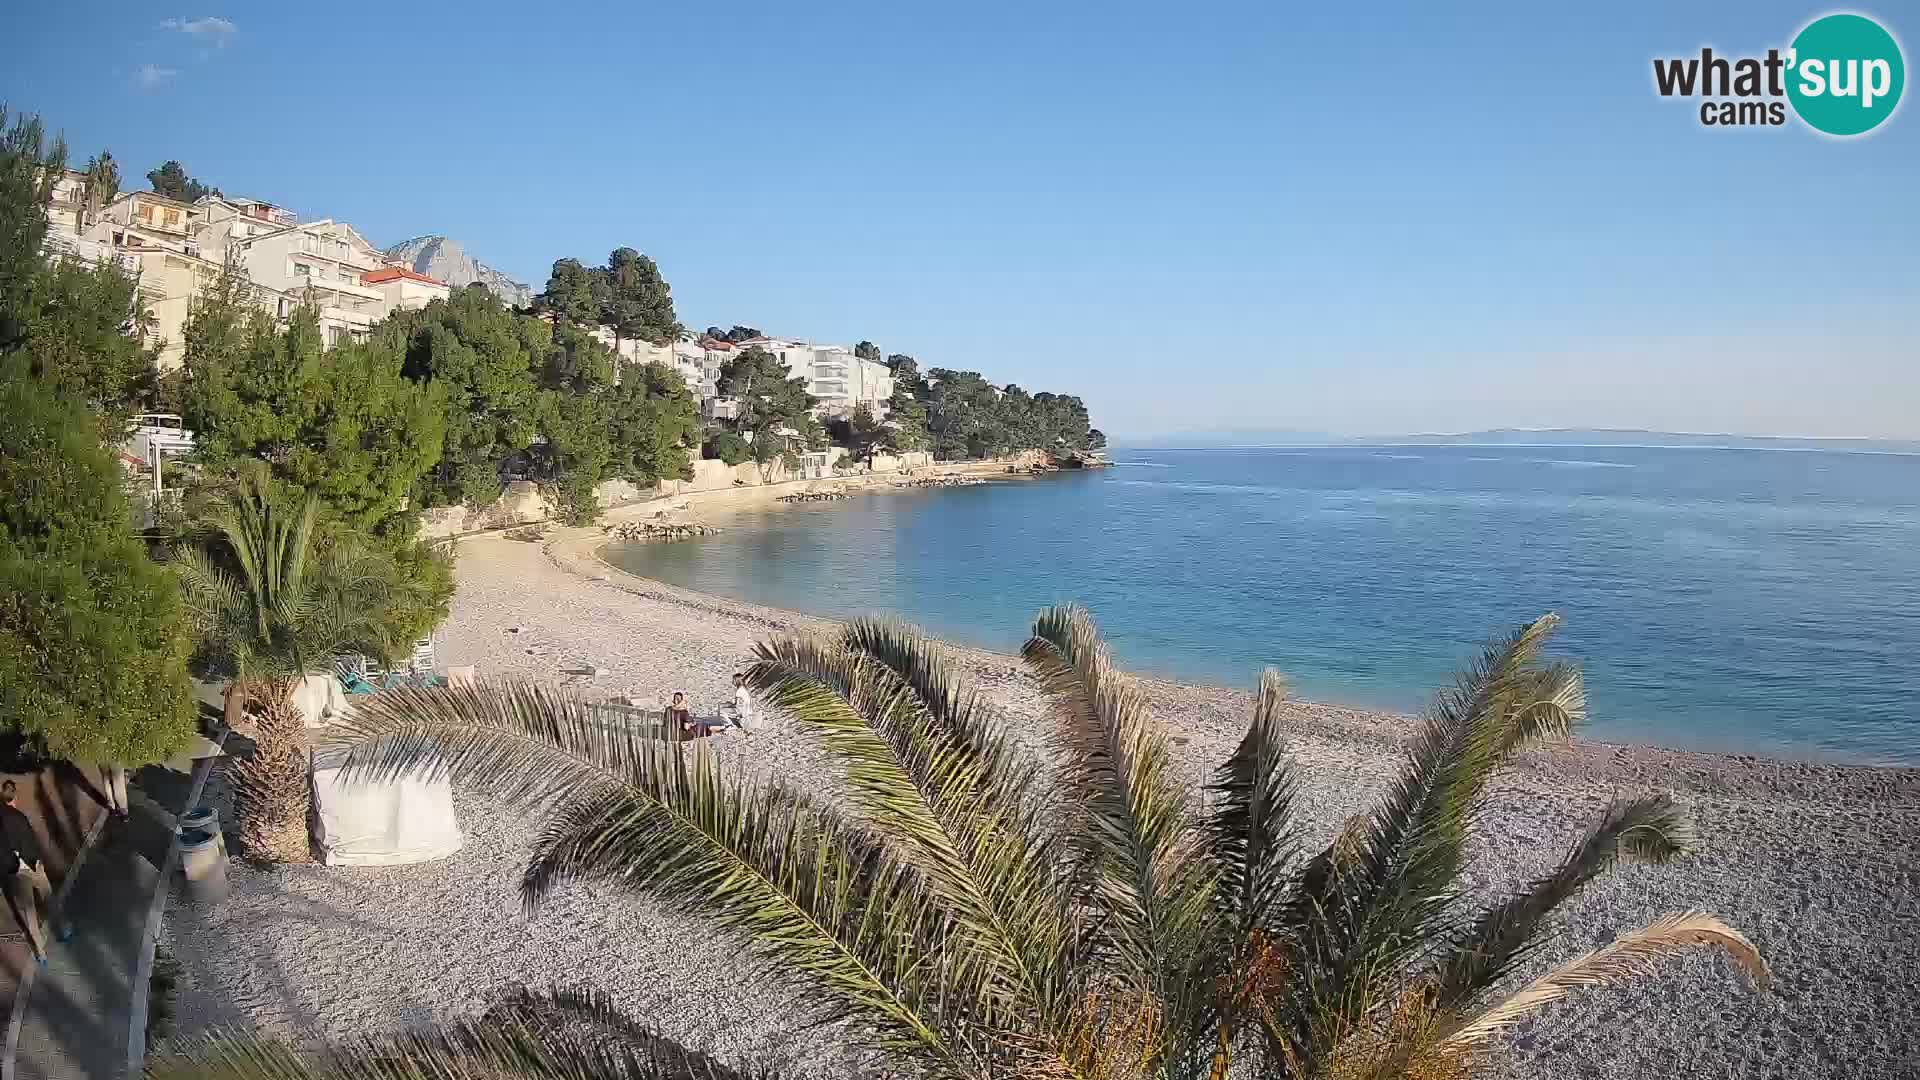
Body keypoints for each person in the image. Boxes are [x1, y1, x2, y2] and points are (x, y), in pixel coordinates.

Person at [2, 780, 56, 963]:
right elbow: (31, 841)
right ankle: (62, 928)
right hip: (32, 865)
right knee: (47, 896)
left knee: (30, 916)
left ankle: (41, 954)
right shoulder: (19, 817)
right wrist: (38, 861)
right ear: (14, 796)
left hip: (16, 872)